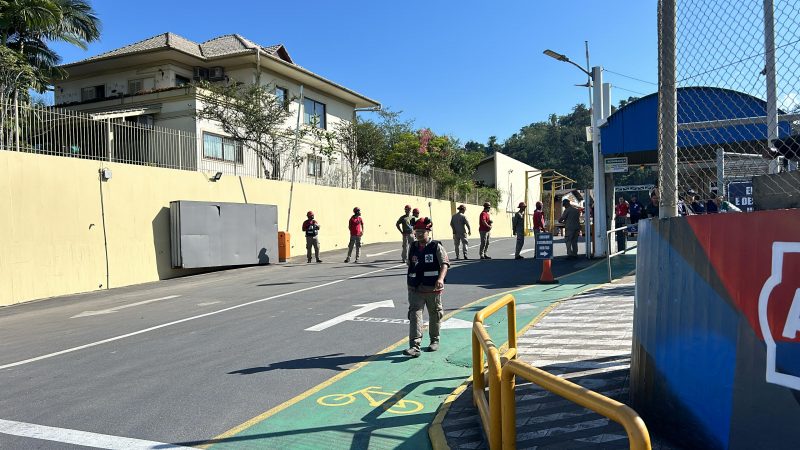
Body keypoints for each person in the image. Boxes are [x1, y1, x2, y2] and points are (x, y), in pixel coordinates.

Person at [403, 217, 450, 358]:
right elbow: (410, 264)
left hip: (432, 289)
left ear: (428, 232)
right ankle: (414, 346)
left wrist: (441, 279)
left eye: (422, 231)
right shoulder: (413, 246)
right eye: (416, 231)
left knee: (435, 315)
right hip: (415, 289)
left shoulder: (436, 247)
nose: (418, 234)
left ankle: (434, 340)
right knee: (415, 316)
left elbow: (445, 264)